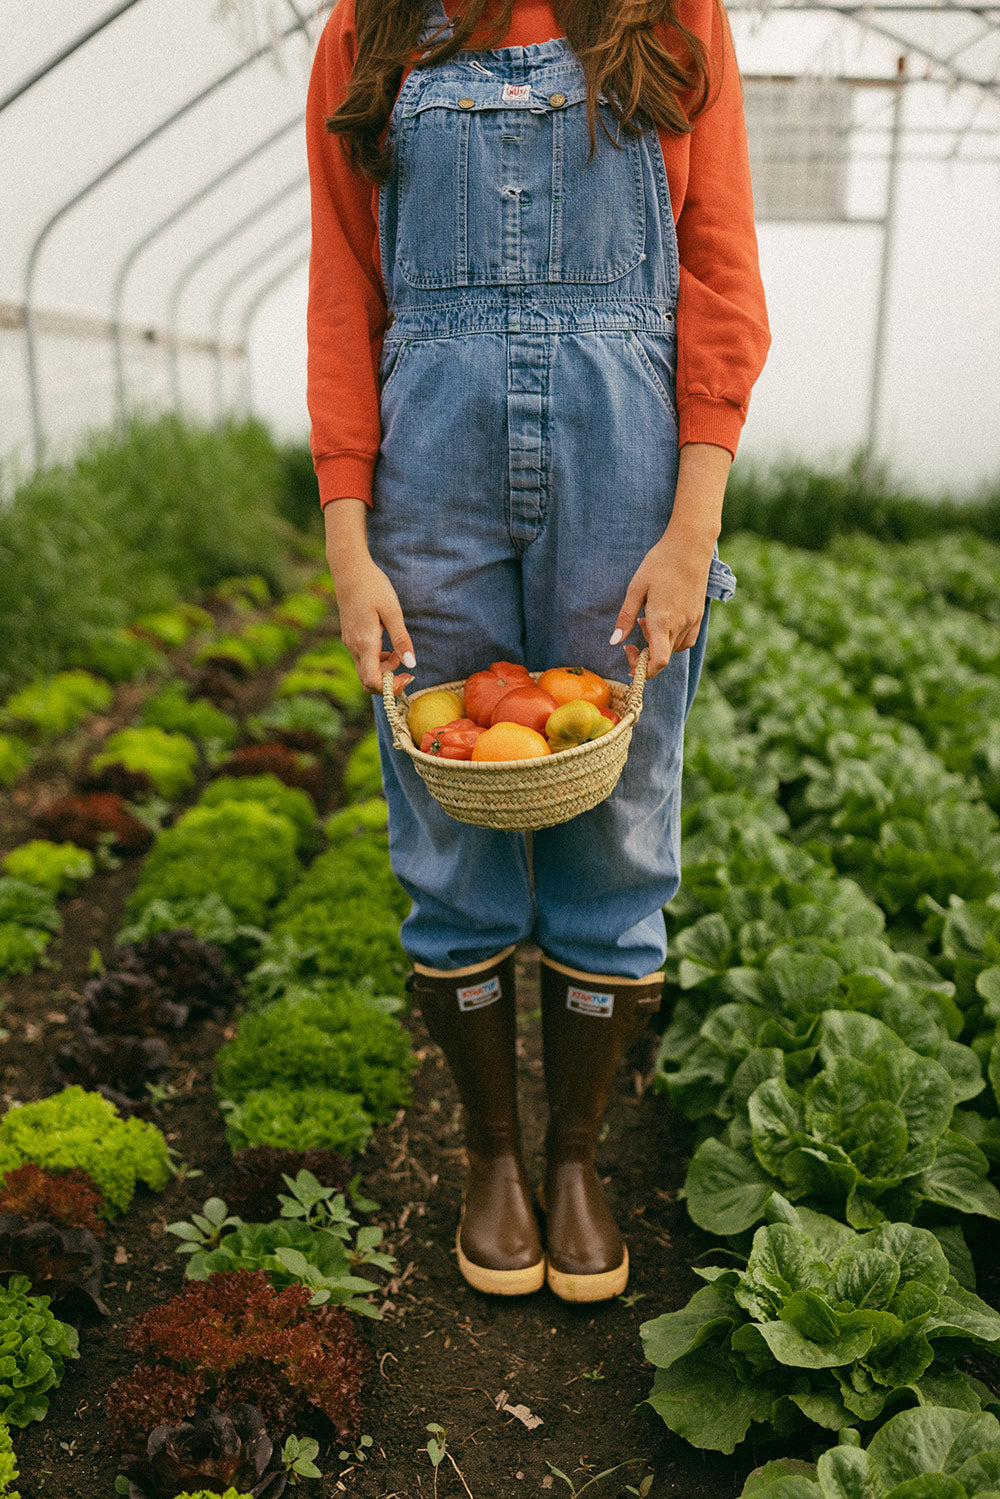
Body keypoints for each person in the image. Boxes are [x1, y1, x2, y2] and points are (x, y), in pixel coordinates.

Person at [306, 0, 769, 1303]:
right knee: (447, 821)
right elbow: (344, 290)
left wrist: (692, 525)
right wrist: (349, 543)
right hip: (427, 473)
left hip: (629, 471)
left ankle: (576, 1163)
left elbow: (722, 270)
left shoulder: (673, 19)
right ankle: (491, 1162)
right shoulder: (371, 28)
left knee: (618, 832)